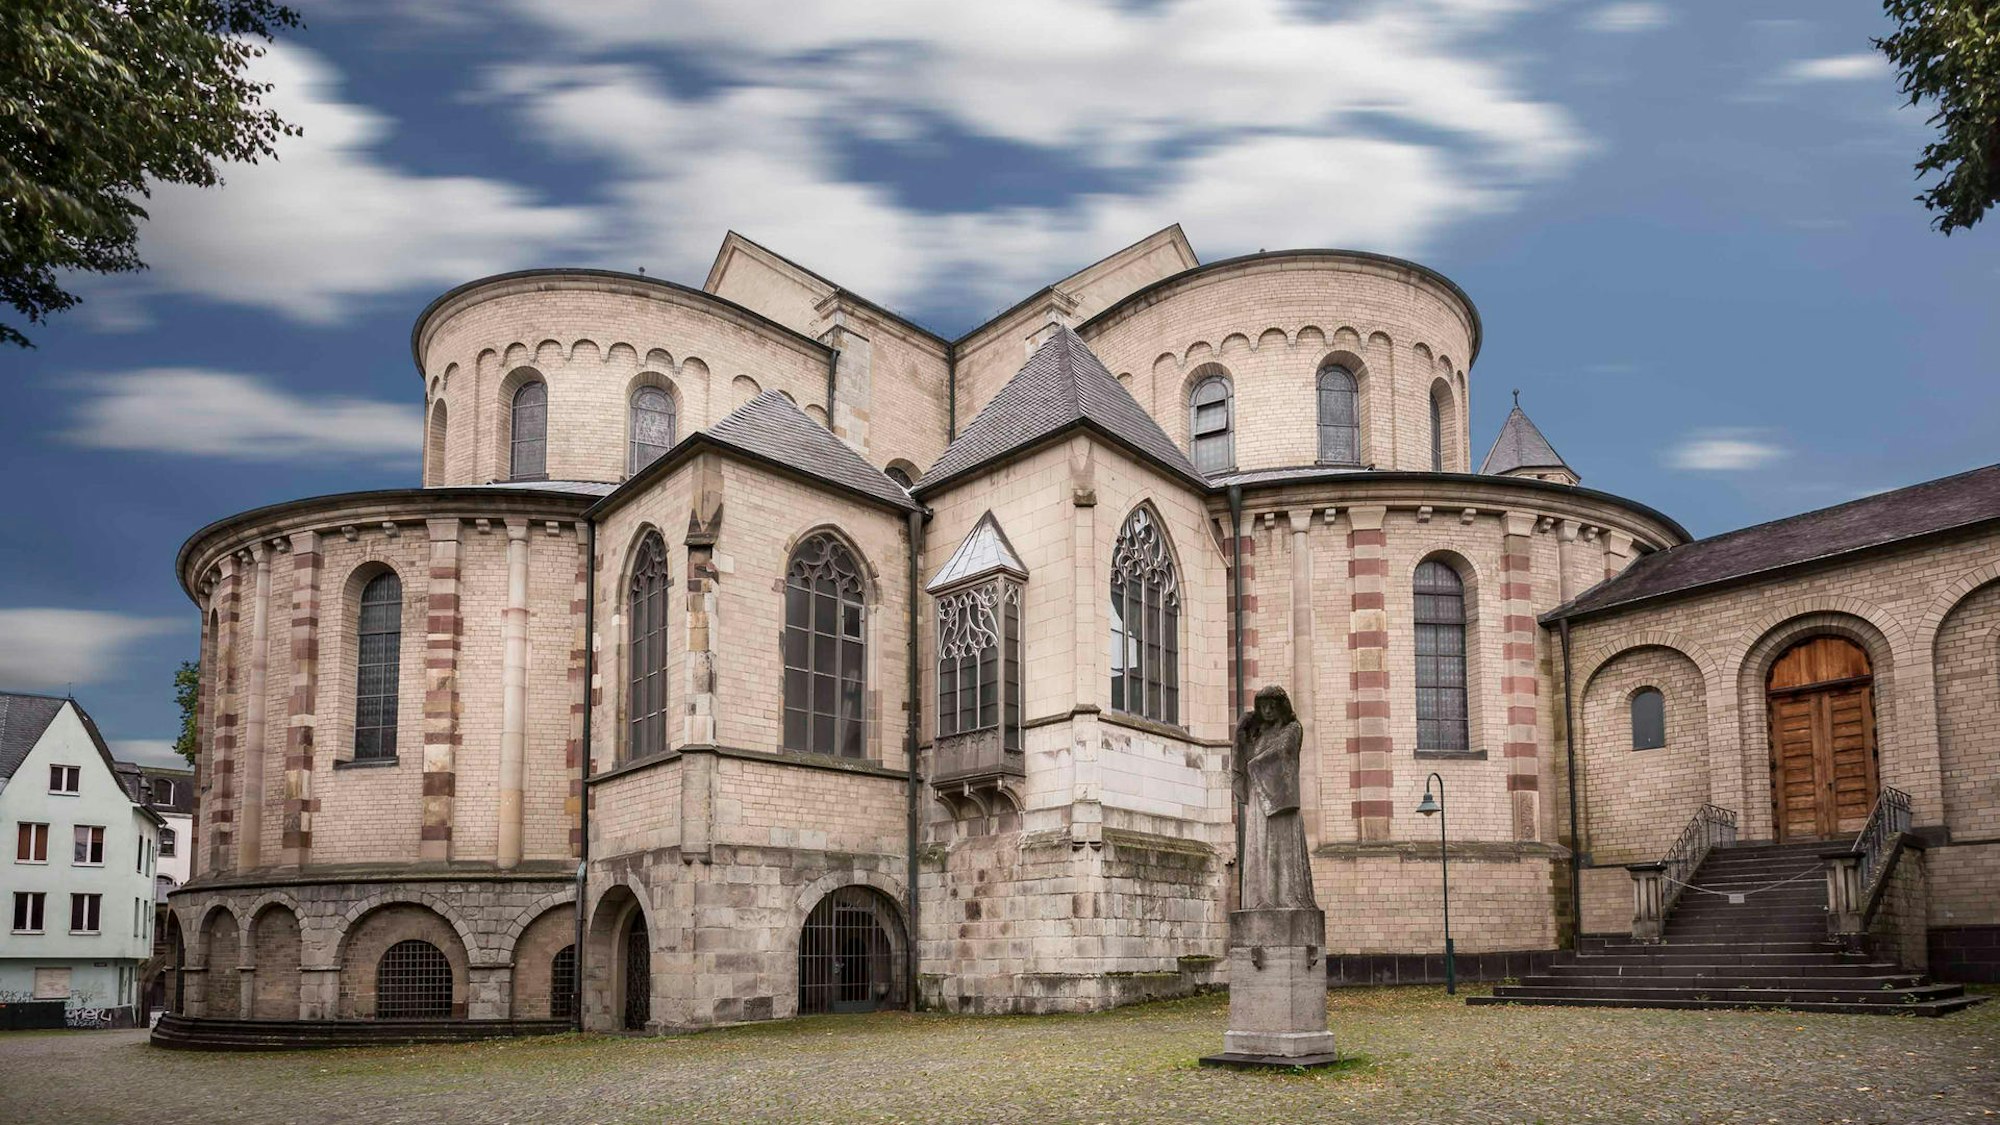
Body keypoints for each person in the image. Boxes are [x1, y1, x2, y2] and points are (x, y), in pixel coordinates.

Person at [1233, 685, 1316, 910]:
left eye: (1272, 705)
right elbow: (1246, 758)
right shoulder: (1258, 735)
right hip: (1259, 800)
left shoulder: (1292, 729)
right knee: (1259, 846)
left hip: (1280, 801)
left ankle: (1282, 897)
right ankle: (1261, 899)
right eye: (1263, 706)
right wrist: (1241, 734)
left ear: (1281, 706)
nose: (1267, 710)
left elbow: (1282, 752)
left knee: (1279, 847)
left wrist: (1254, 763)